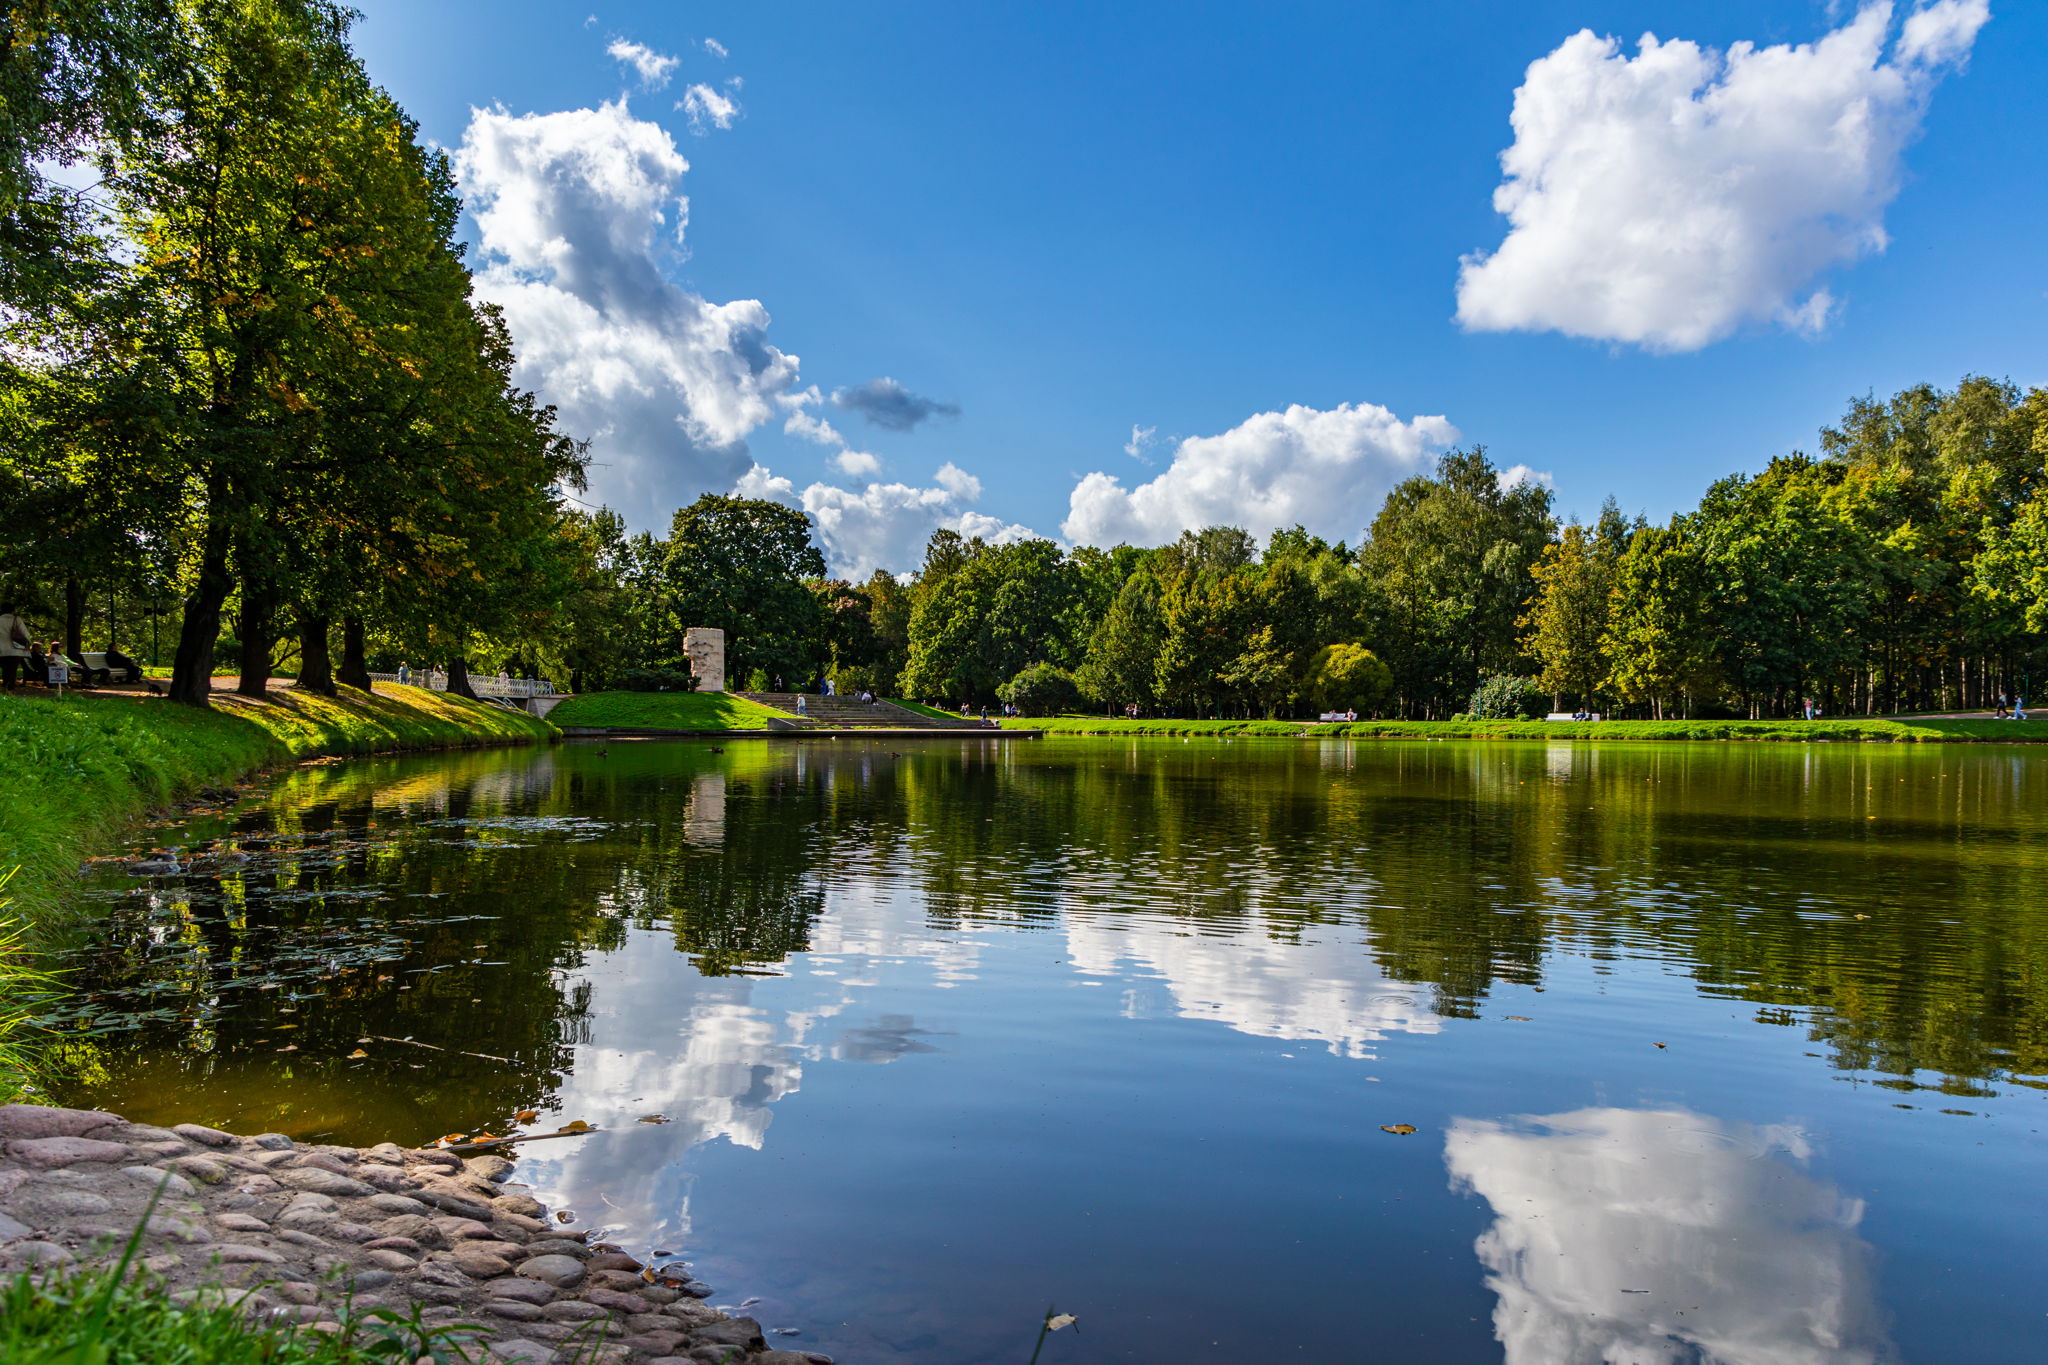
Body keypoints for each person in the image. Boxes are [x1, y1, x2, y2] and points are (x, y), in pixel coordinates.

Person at [0, 603, 31, 689]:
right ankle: (10, 689)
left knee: (5, 669)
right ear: (13, 610)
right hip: (15, 650)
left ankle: (5, 686)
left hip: (1, 650)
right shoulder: (16, 619)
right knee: (12, 670)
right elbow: (25, 634)